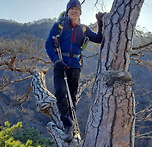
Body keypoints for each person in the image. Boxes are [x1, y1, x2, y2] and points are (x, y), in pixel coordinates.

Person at [45, 0, 104, 142]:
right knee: (60, 93)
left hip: (75, 66)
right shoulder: (58, 26)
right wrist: (55, 60)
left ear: (80, 12)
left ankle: (70, 124)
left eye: (77, 9)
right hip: (60, 64)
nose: (74, 11)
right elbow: (48, 44)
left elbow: (99, 38)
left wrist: (100, 23)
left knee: (72, 96)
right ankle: (68, 125)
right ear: (67, 11)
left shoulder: (83, 29)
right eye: (71, 8)